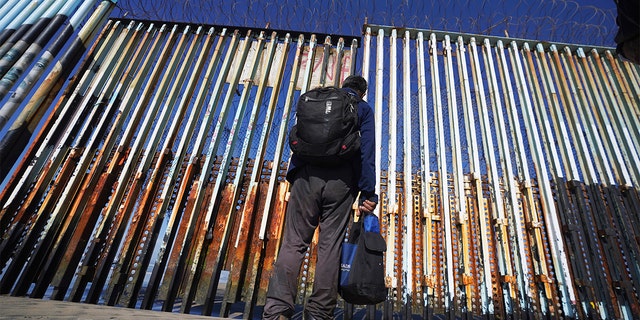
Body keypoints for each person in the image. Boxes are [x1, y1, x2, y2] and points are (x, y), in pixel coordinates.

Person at [262, 75, 378, 320]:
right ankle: (318, 313)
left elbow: (298, 137)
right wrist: (368, 191)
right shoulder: (363, 109)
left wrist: (295, 174)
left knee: (293, 243)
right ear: (363, 92)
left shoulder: (319, 102)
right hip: (342, 183)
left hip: (305, 176)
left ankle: (276, 311)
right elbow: (366, 150)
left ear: (344, 85)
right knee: (330, 247)